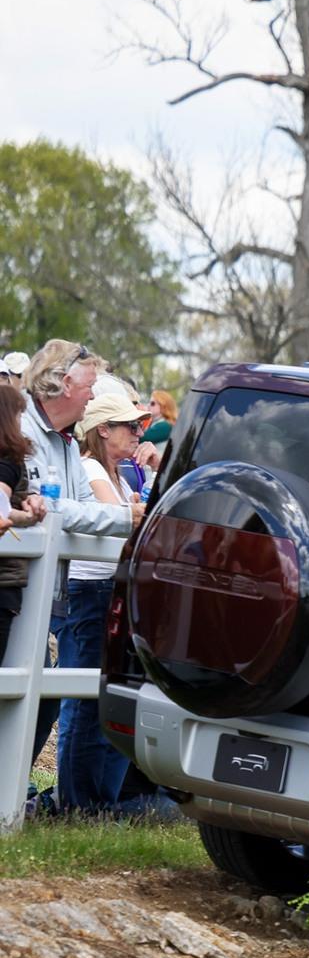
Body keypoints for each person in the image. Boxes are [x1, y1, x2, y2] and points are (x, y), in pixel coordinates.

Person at [19, 341, 140, 800]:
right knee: (34, 697)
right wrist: (125, 518)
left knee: (40, 701)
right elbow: (53, 508)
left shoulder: (64, 443)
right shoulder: (24, 431)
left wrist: (117, 516)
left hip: (45, 596)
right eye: (89, 386)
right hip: (19, 590)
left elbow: (80, 507)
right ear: (65, 382)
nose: (91, 398)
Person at [57, 389, 150, 812]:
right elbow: (129, 521)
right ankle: (77, 802)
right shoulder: (90, 466)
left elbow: (140, 516)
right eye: (130, 425)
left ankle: (100, 801)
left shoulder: (121, 473)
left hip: (112, 590)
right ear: (103, 429)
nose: (137, 433)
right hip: (93, 592)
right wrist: (135, 510)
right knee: (84, 700)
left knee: (113, 697)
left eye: (140, 425)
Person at [0, 373, 51, 663]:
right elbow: (1, 508)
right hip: (4, 582)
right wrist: (29, 517)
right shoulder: (7, 458)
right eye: (20, 414)